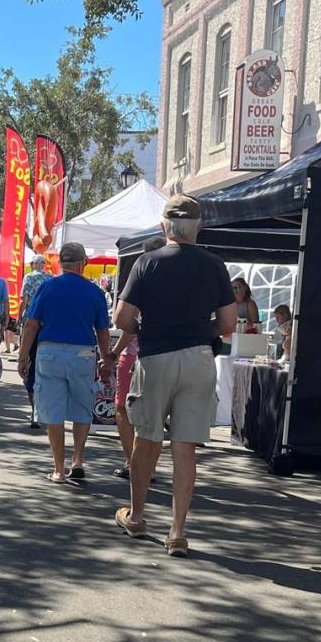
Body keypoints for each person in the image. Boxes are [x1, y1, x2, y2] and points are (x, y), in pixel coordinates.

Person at [112, 194, 237, 558]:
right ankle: (178, 531)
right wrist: (202, 331)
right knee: (185, 446)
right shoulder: (215, 265)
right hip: (199, 357)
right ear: (198, 226)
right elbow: (228, 324)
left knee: (146, 439)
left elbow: (122, 319)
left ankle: (136, 516)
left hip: (156, 357)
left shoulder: (147, 262)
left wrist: (151, 329)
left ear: (164, 226)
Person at [17, 242, 110, 483]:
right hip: (83, 354)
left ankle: (58, 468)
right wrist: (104, 359)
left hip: (50, 352)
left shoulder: (48, 287)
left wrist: (23, 356)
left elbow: (31, 324)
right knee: (82, 407)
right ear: (83, 263)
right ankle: (77, 459)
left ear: (60, 263)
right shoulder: (94, 292)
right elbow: (102, 331)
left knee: (53, 410)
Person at [110, 236, 166, 480]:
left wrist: (112, 354)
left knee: (123, 409)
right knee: (154, 414)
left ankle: (134, 464)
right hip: (166, 354)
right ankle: (149, 467)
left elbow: (125, 323)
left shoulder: (140, 277)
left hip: (135, 354)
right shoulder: (178, 283)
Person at [18, 255, 51, 427]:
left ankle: (34, 412)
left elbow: (25, 299)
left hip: (32, 323)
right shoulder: (50, 279)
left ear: (33, 265)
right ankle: (40, 410)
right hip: (48, 327)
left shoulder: (29, 277)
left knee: (30, 364)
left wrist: (19, 316)